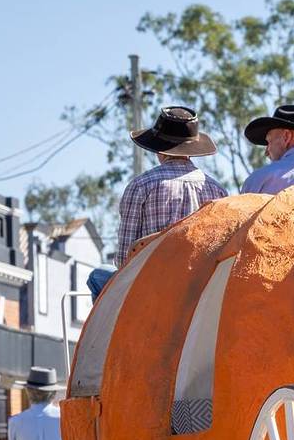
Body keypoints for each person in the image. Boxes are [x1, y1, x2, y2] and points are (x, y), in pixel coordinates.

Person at [88, 107, 228, 300]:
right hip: (200, 285)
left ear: (159, 148)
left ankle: (110, 330)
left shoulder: (141, 185)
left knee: (97, 275)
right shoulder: (218, 190)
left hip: (151, 281)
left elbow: (123, 260)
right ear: (192, 151)